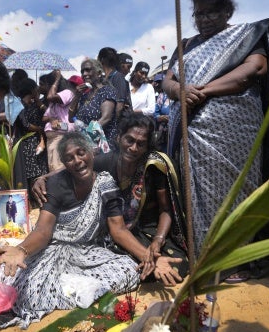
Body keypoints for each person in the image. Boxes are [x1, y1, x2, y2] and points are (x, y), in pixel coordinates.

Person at [162, 0, 269, 271]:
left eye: (211, 13)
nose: (203, 20)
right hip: (191, 136)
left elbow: (254, 69)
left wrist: (202, 91)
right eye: (198, 14)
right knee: (198, 195)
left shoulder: (244, 37)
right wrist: (179, 90)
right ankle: (206, 256)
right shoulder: (186, 45)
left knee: (235, 190)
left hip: (234, 136)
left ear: (227, 11)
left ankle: (237, 258)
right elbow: (167, 81)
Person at [0, 132, 155, 330]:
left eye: (81, 153)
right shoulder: (56, 184)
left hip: (89, 251)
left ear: (91, 153)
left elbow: (118, 229)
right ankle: (70, 286)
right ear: (64, 164)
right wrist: (21, 250)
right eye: (69, 158)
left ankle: (71, 285)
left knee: (129, 273)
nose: (77, 161)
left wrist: (149, 257)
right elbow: (43, 230)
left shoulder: (105, 183)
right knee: (31, 295)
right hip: (54, 249)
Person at [33, 112, 188, 286]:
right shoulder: (108, 161)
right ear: (119, 138)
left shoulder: (154, 167)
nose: (133, 148)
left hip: (151, 229)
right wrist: (44, 178)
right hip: (118, 230)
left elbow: (166, 210)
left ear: (147, 146)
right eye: (129, 140)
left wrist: (158, 241)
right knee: (123, 263)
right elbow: (77, 165)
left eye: (141, 144)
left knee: (175, 266)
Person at [68, 58, 118, 151]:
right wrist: (77, 96)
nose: (84, 74)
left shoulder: (106, 91)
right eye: (82, 71)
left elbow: (106, 118)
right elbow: (71, 118)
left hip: (103, 146)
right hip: (87, 147)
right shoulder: (84, 96)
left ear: (99, 73)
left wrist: (86, 137)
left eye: (88, 70)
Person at [40, 70, 81, 171]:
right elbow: (44, 117)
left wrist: (57, 79)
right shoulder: (53, 103)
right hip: (52, 139)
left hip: (61, 135)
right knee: (53, 168)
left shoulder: (68, 93)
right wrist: (51, 118)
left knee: (58, 170)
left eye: (49, 84)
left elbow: (50, 96)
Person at [16, 78, 48, 201]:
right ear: (31, 90)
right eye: (36, 87)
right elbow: (26, 125)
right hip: (32, 142)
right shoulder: (23, 106)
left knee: (35, 172)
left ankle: (35, 200)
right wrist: (40, 130)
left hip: (31, 142)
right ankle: (37, 200)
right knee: (36, 172)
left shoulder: (30, 105)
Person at [97, 47, 132, 117]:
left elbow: (119, 106)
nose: (129, 71)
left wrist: (110, 123)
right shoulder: (102, 79)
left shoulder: (118, 77)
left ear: (102, 60)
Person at [153, 73, 170, 152]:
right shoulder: (161, 96)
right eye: (158, 83)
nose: (159, 85)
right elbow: (155, 114)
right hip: (163, 132)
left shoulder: (179, 93)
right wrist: (160, 118)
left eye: (161, 82)